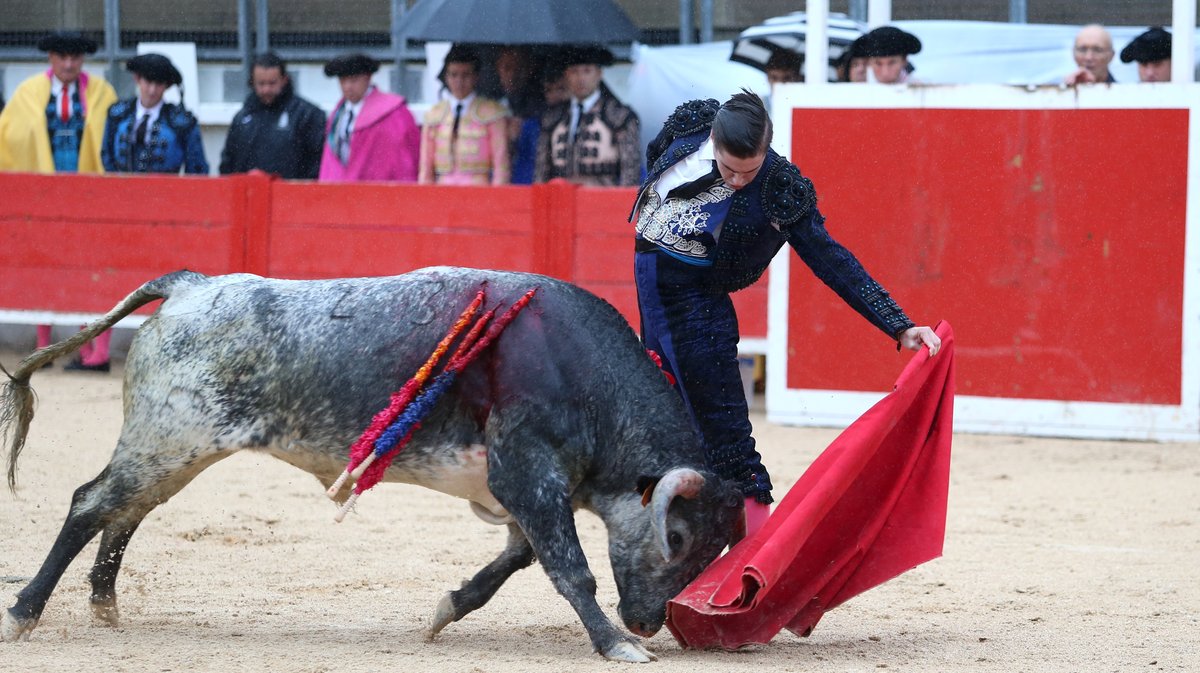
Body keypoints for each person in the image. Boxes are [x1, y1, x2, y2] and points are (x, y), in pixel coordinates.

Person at [630, 91, 940, 535]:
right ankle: (681, 545)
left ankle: (757, 561)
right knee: (665, 421)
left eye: (748, 170)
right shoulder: (691, 126)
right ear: (713, 141)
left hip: (697, 312)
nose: (738, 181)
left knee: (729, 442)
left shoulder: (777, 185)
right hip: (653, 300)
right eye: (728, 168)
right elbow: (656, 156)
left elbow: (831, 259)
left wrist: (898, 323)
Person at [0, 30, 117, 372]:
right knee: (43, 264)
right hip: (44, 192)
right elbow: (11, 137)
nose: (68, 63)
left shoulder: (101, 93)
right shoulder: (28, 93)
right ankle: (43, 345)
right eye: (62, 57)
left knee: (89, 267)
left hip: (89, 193)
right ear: (50, 57)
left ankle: (89, 346)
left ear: (83, 60)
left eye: (75, 57)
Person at [534, 45, 640, 187]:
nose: (580, 78)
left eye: (587, 71)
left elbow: (630, 169)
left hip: (603, 201)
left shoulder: (619, 116)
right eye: (574, 72)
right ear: (566, 75)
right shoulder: (552, 118)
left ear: (599, 74)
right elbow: (542, 169)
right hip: (561, 200)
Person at [219, 51, 326, 179]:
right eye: (261, 84)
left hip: (291, 196)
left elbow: (317, 164)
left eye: (272, 83)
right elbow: (228, 162)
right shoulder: (242, 118)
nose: (266, 90)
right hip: (249, 195)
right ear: (252, 82)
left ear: (284, 80)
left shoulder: (307, 115)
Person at [318, 53, 419, 183]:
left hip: (378, 191)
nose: (347, 87)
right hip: (341, 191)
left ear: (368, 78)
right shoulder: (338, 114)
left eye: (354, 80)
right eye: (343, 80)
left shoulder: (394, 113)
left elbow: (404, 161)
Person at [101, 53, 208, 174]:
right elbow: (106, 155)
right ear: (137, 79)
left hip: (166, 190)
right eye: (148, 81)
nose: (152, 90)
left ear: (166, 86)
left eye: (159, 84)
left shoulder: (182, 122)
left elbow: (197, 168)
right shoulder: (118, 114)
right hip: (122, 189)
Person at [419, 45, 509, 186]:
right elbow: (426, 166)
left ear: (476, 77)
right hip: (443, 188)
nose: (459, 82)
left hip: (479, 190)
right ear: (446, 77)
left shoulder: (492, 113)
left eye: (465, 75)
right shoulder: (435, 115)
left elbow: (501, 164)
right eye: (454, 75)